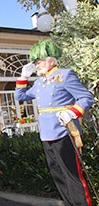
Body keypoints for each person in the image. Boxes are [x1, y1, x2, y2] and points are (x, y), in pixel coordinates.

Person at [15, 39, 94, 206]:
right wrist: (23, 76)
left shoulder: (65, 75)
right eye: (35, 62)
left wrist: (72, 112)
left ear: (51, 59)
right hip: (47, 134)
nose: (37, 65)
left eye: (40, 61)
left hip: (64, 131)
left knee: (72, 176)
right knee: (58, 176)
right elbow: (20, 96)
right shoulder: (39, 82)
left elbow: (86, 98)